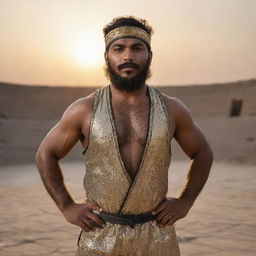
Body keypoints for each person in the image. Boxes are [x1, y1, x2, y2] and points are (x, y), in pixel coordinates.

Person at [35, 16, 213, 256]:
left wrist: (185, 201)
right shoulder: (84, 110)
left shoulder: (172, 109)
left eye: (137, 48)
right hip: (100, 236)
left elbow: (203, 153)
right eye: (119, 49)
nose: (128, 56)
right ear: (107, 56)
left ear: (149, 55)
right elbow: (46, 153)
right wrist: (66, 206)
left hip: (157, 235)